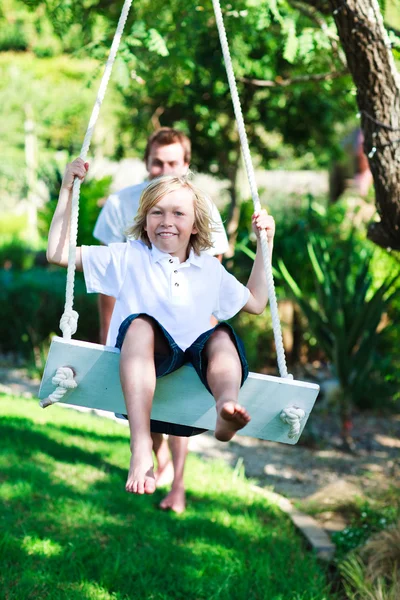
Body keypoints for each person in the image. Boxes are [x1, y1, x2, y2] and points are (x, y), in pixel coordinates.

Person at [47, 158, 275, 498]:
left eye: (178, 214)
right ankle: (141, 448)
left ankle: (225, 410)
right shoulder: (127, 256)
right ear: (144, 220)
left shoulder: (208, 271)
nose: (166, 221)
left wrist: (264, 244)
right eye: (157, 212)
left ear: (196, 226)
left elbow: (256, 302)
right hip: (143, 374)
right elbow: (56, 253)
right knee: (140, 325)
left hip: (192, 383)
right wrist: (67, 189)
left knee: (222, 336)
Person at [93, 127, 229, 513]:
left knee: (179, 409)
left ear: (186, 165)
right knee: (150, 404)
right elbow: (106, 282)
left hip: (189, 322)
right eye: (157, 161)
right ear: (146, 161)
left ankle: (179, 485)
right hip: (139, 326)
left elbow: (210, 270)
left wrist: (200, 331)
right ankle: (151, 458)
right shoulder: (122, 204)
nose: (163, 168)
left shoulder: (200, 206)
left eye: (172, 162)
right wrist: (106, 335)